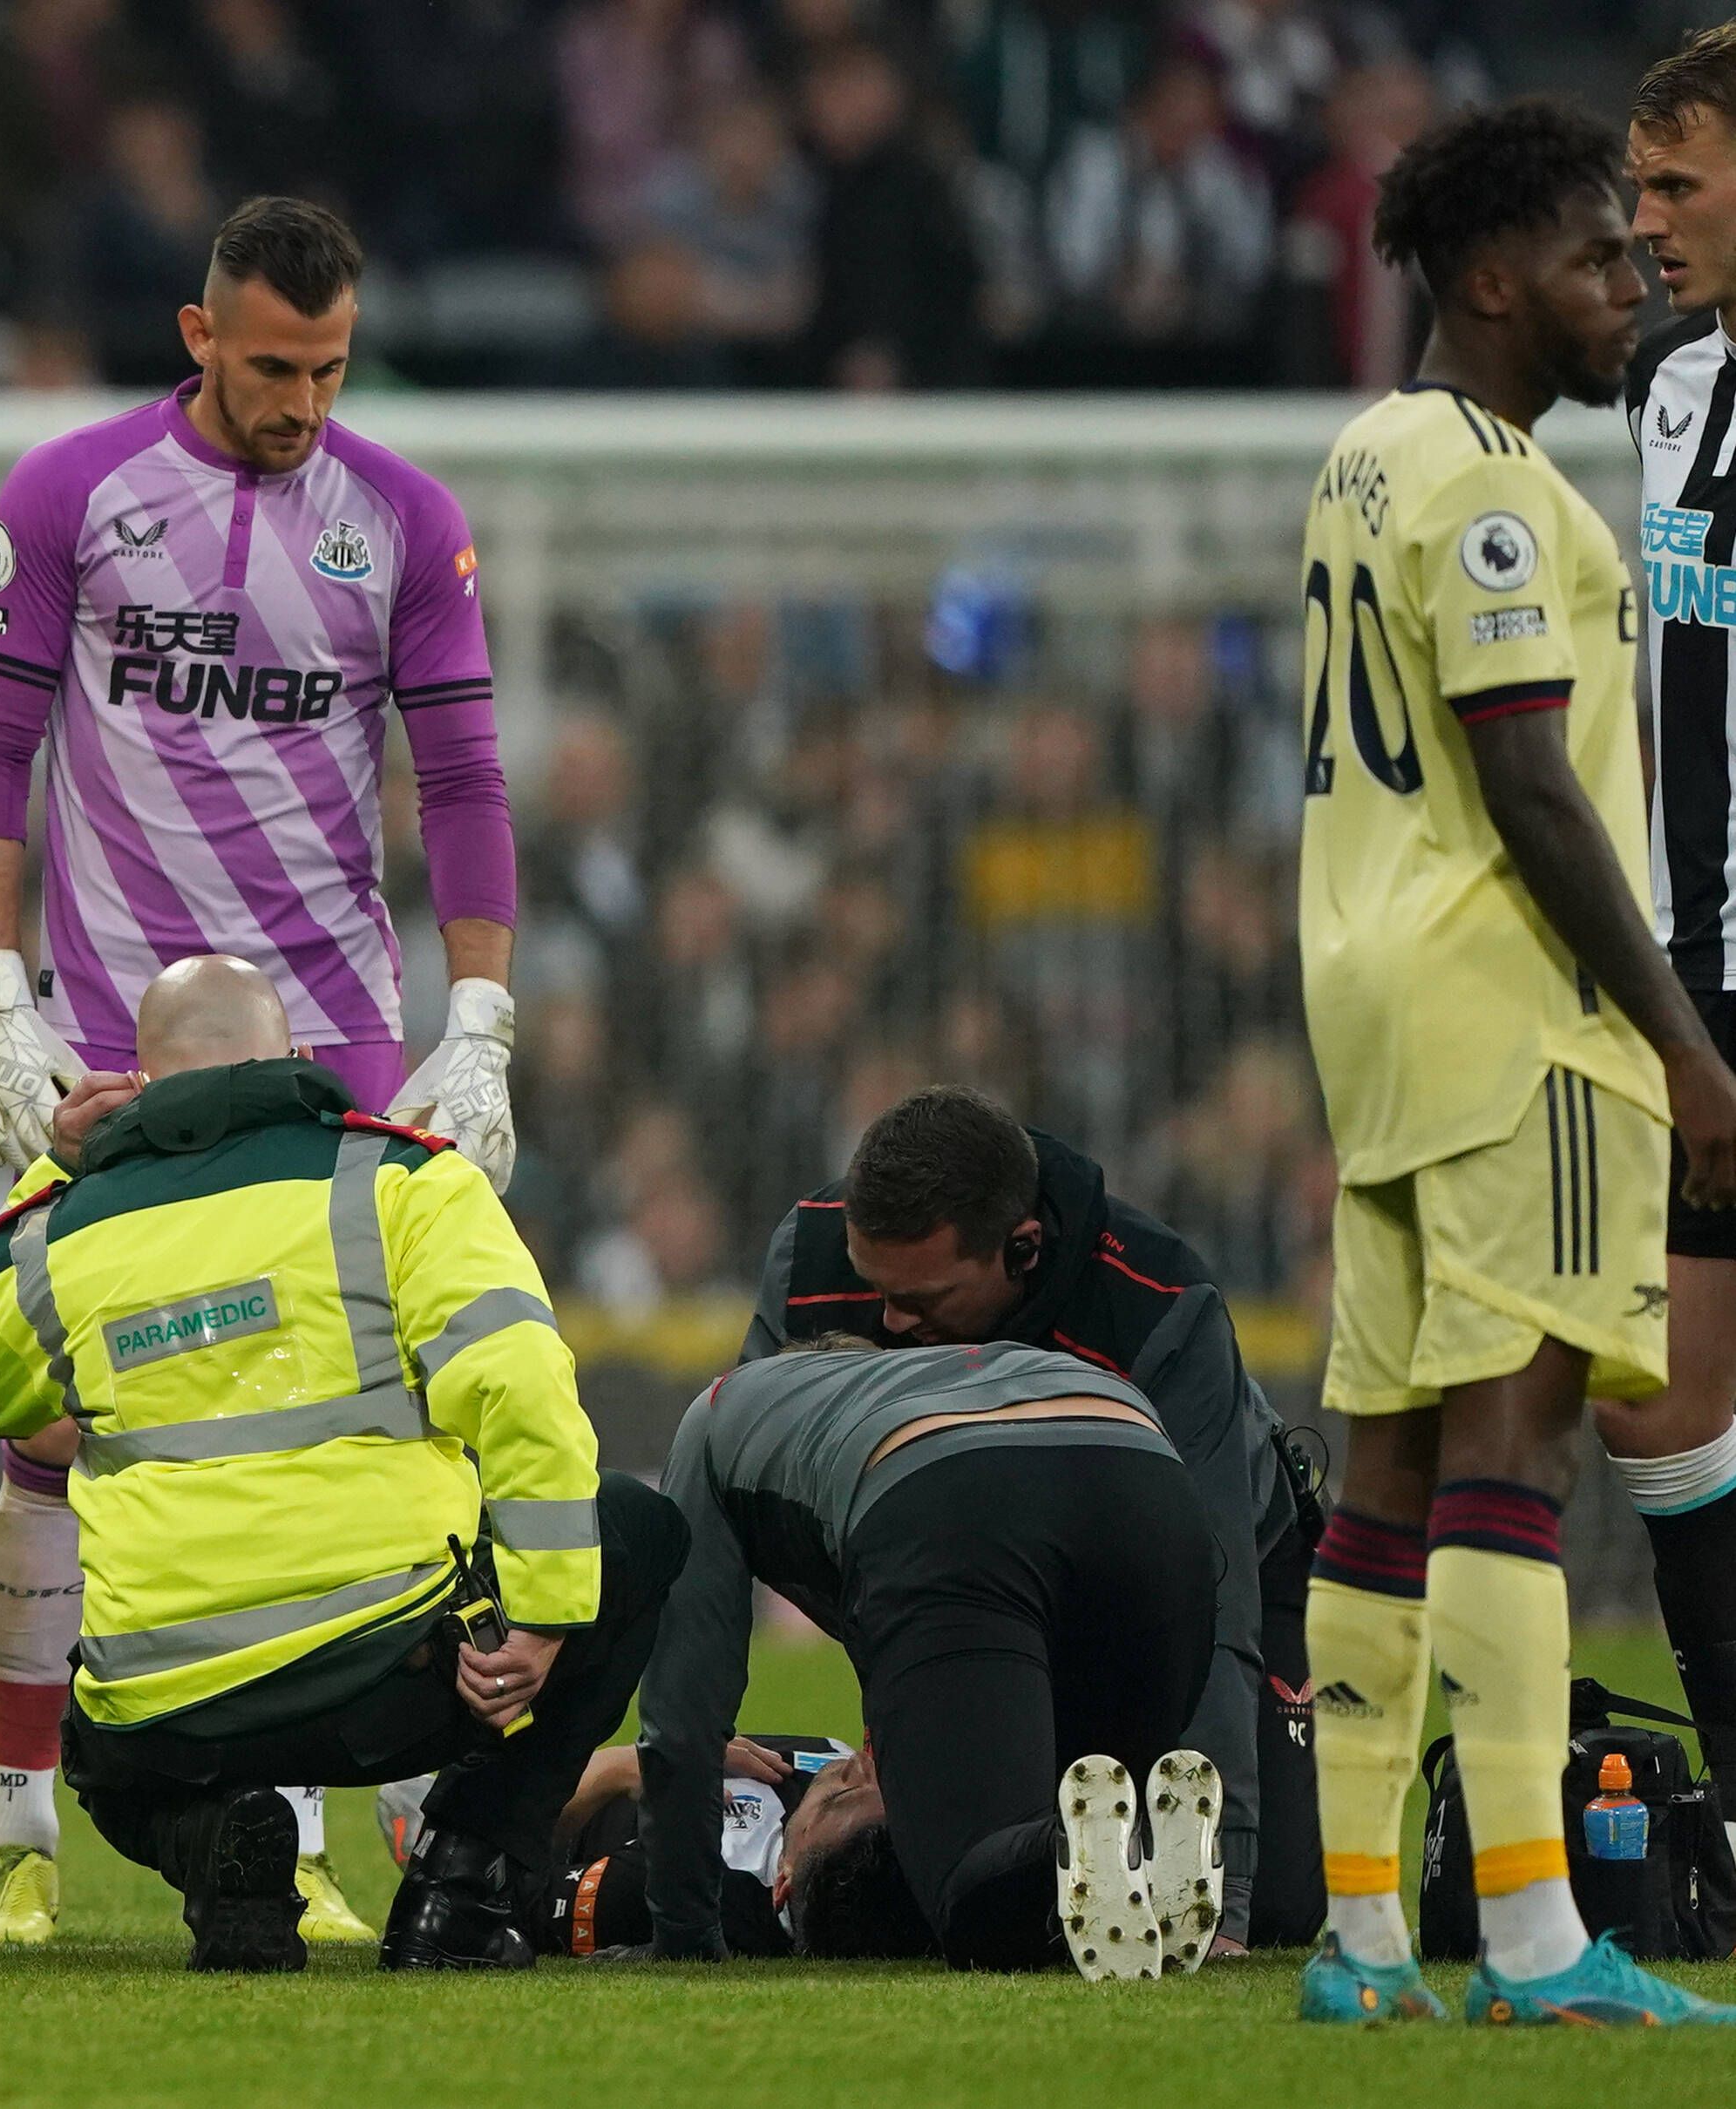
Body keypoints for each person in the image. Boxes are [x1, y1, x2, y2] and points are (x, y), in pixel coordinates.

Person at [0, 194, 519, 1943]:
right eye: (272, 364)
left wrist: (478, 1014)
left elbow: (468, 782)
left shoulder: (402, 519)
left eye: (329, 367)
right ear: (199, 336)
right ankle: (16, 1833)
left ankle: (324, 1836)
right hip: (113, 1031)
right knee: (50, 1430)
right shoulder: (67, 495)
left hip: (328, 1034)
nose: (303, 398)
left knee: (359, 1427)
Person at [1294, 99, 1736, 2030]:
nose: (1618, 285)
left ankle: (1361, 1930)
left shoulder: (1360, 454)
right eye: (1585, 255)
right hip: (1511, 1011)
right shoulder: (1494, 492)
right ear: (1486, 278)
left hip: (1374, 1005)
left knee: (1381, 1461)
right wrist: (1682, 1046)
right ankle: (1541, 1938)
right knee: (1510, 1451)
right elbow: (1527, 777)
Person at [0, 955, 687, 1973]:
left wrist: (57, 1166)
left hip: (171, 1708)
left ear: (141, 1088)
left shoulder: (67, 1232)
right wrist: (535, 1622)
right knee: (634, 1526)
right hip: (395, 1678)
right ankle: (459, 1886)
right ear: (303, 1060)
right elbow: (526, 1390)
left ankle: (222, 1845)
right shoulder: (404, 1180)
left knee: (100, 1745)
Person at [742, 1084, 1317, 1950]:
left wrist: (1221, 1898)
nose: (891, 1320)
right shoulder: (811, 1258)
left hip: (1204, 1574)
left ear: (1022, 1251)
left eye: (924, 1299)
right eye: (874, 1290)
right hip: (985, 1575)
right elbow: (757, 1492)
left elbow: (1217, 1602)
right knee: (933, 1878)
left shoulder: (1160, 1306)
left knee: (1277, 1906)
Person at [634, 1339, 1224, 1977]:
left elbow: (683, 1720)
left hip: (948, 1485)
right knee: (1099, 1800)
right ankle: (1154, 1857)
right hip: (1150, 1474)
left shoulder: (721, 1415)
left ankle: (1072, 1846)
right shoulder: (945, 1369)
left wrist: (685, 1934)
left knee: (974, 1899)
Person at [1618, 25, 1736, 1846]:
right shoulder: (1664, 383)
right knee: (1655, 1406)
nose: (1641, 222)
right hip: (1689, 974)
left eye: (1673, 189)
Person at [377, 1734, 874, 1960]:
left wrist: (620, 1769)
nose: (862, 1763)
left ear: (784, 1881)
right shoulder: (850, 1770)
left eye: (841, 1793)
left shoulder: (679, 1892)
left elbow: (494, 1900)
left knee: (416, 1806)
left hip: (556, 1820)